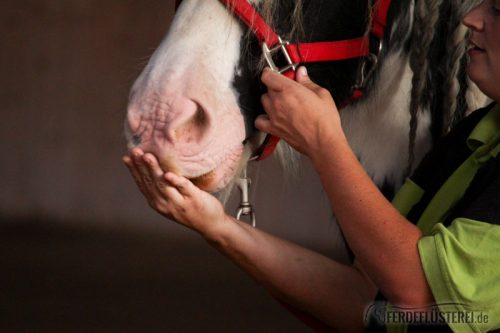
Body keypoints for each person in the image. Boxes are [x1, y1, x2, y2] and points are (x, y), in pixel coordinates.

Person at [122, 1, 500, 332]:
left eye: (497, 10)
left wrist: (323, 143)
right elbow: (366, 301)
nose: (470, 18)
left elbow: (420, 297)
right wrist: (217, 226)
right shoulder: (474, 139)